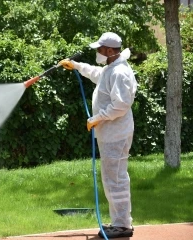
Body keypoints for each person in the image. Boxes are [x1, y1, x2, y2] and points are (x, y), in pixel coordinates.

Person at [59, 32, 138, 239]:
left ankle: (122, 226)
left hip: (116, 134)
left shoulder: (119, 72)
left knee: (116, 179)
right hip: (111, 134)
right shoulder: (111, 69)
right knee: (114, 178)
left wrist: (98, 118)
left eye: (100, 49)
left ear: (110, 51)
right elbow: (97, 74)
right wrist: (76, 66)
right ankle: (121, 222)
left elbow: (120, 105)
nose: (98, 52)